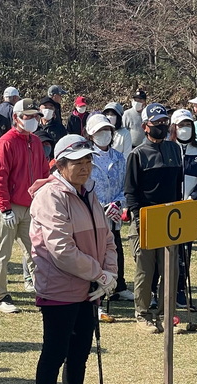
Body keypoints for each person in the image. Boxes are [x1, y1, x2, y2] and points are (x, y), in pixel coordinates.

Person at [30, 135, 117, 384]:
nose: (85, 167)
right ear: (60, 164)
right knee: (55, 354)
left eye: (88, 160)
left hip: (90, 287)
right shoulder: (50, 196)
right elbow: (61, 250)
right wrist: (100, 273)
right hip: (60, 288)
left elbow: (106, 238)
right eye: (77, 162)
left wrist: (110, 274)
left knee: (79, 354)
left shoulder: (88, 192)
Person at [125, 103, 182, 333]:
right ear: (145, 126)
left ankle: (167, 314)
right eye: (156, 123)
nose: (162, 126)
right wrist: (138, 219)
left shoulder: (174, 150)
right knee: (145, 271)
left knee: (171, 270)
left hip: (171, 219)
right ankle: (143, 313)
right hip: (146, 219)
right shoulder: (137, 154)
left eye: (164, 122)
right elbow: (131, 192)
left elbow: (178, 187)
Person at [0, 98, 50, 313]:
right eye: (28, 116)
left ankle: (42, 292)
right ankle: (1, 296)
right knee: (2, 254)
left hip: (31, 206)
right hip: (9, 206)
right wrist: (5, 207)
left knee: (36, 252)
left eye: (35, 116)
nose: (33, 120)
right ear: (16, 117)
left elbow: (44, 173)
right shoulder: (6, 142)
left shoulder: (35, 141)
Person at [85, 114, 133, 310]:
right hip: (92, 213)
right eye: (99, 131)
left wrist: (117, 204)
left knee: (115, 249)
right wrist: (102, 206)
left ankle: (118, 285)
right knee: (96, 253)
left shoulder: (119, 157)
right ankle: (98, 296)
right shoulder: (86, 156)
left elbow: (124, 186)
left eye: (107, 130)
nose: (104, 134)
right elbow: (85, 186)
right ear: (91, 134)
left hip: (114, 214)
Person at [170, 108, 197, 309]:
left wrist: (196, 195)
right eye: (181, 125)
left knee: (184, 250)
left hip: (190, 205)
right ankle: (159, 290)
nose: (185, 129)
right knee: (167, 249)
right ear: (174, 127)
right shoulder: (168, 147)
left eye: (188, 125)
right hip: (169, 205)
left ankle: (180, 289)